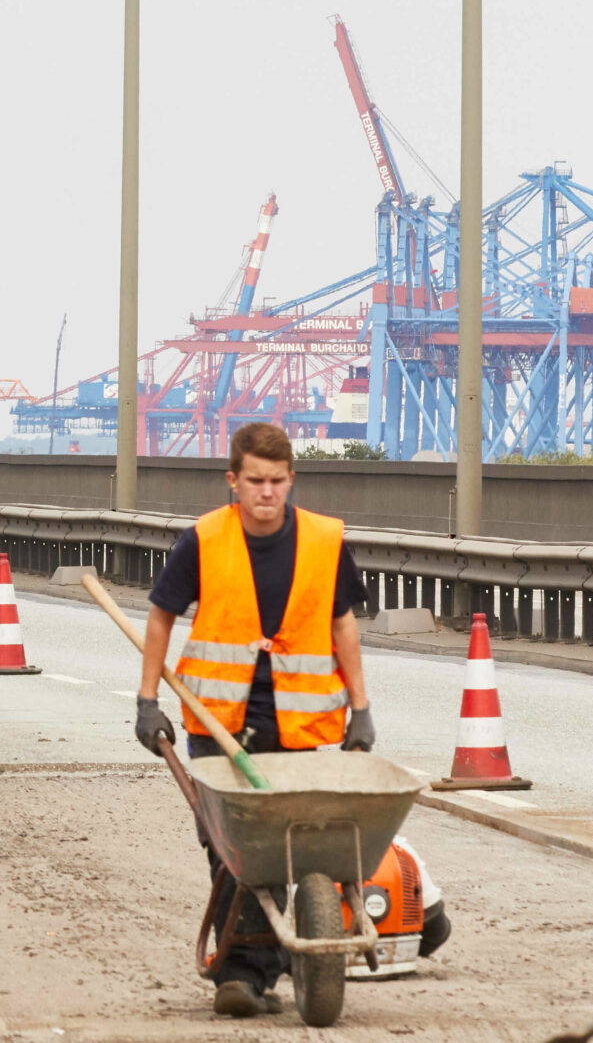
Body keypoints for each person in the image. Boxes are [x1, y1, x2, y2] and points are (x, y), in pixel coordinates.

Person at [133, 421, 374, 1019]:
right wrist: (145, 700)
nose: (267, 493)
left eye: (277, 481)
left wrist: (362, 709)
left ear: (291, 480)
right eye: (255, 482)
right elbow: (162, 615)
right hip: (216, 721)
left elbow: (342, 623)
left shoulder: (324, 541)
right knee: (230, 851)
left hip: (297, 725)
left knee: (286, 847)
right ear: (232, 482)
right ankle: (242, 971)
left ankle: (262, 963)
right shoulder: (204, 541)